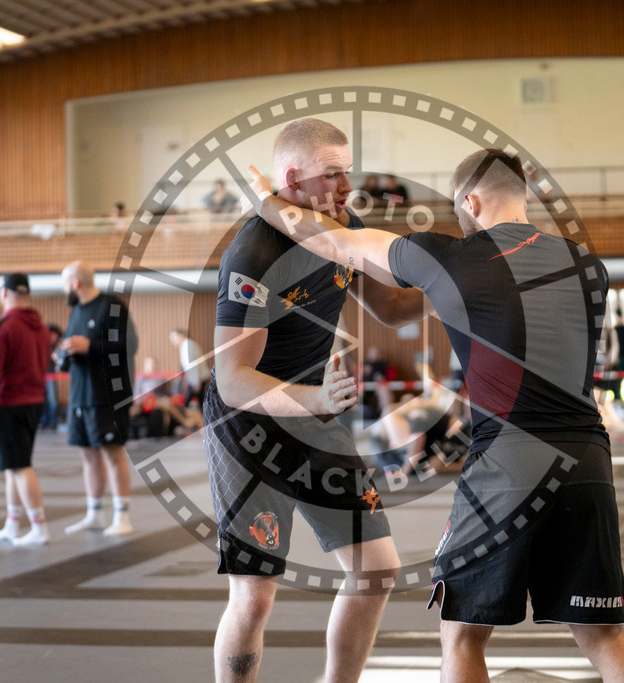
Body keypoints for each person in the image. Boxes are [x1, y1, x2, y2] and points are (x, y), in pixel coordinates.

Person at [247, 147, 624, 682]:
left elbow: (334, 243)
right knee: (605, 638)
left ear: (472, 200)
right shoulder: (588, 266)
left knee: (460, 632)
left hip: (508, 461)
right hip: (590, 463)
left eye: (459, 210)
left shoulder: (453, 258)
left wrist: (265, 199)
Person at [206, 118, 425, 683]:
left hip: (317, 412)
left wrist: (455, 285)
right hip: (249, 423)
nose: (348, 186)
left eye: (348, 171)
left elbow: (395, 309)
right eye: (333, 174)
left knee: (375, 572)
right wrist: (315, 396)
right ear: (292, 178)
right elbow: (232, 378)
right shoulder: (252, 255)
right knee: (254, 598)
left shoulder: (342, 225)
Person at [59, 260, 137, 537]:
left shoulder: (111, 306)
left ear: (76, 283)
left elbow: (129, 345)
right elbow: (75, 348)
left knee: (113, 453)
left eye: (65, 282)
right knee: (87, 454)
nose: (64, 288)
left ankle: (122, 517)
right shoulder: (76, 312)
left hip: (107, 396)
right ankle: (94, 513)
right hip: (81, 394)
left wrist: (90, 346)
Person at [0, 273, 52, 546]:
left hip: (9, 402)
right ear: (27, 295)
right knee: (12, 465)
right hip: (34, 401)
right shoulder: (41, 329)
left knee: (20, 466)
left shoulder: (3, 326)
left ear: (4, 294)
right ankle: (12, 523)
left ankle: (39, 527)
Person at [169, 328, 208, 407]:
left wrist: (196, 382)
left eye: (174, 339)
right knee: (201, 403)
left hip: (198, 380)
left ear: (181, 336)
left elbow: (193, 365)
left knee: (195, 403)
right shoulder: (186, 345)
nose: (173, 343)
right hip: (196, 380)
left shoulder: (187, 345)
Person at [39, 324, 62, 430]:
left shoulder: (56, 348)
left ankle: (53, 421)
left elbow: (60, 361)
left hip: (51, 375)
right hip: (41, 374)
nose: (53, 338)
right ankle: (43, 421)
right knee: (42, 399)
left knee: (53, 399)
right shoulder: (41, 345)